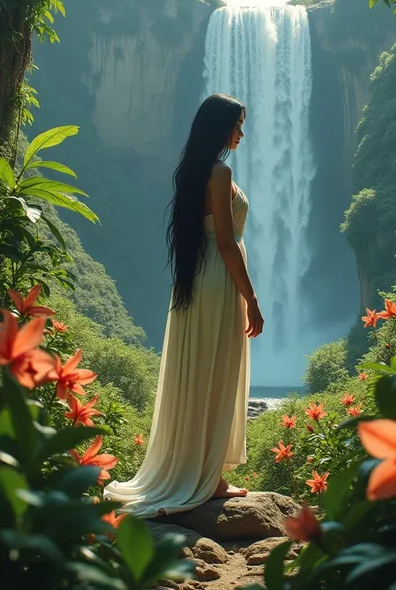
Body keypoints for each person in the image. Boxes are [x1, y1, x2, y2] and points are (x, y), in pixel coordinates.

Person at [104, 94, 264, 517]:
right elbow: (228, 245)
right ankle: (206, 479)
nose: (242, 133)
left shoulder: (194, 171)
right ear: (221, 127)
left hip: (197, 278)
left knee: (199, 370)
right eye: (238, 125)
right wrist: (253, 300)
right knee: (218, 371)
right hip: (220, 280)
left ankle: (202, 472)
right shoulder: (220, 171)